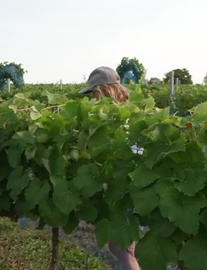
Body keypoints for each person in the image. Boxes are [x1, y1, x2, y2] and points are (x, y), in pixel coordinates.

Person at [79, 66, 140, 270]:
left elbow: (131, 154)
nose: (90, 99)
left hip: (123, 192)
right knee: (120, 248)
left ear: (104, 90)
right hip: (122, 191)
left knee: (124, 252)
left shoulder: (120, 120)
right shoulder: (127, 115)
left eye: (93, 93)